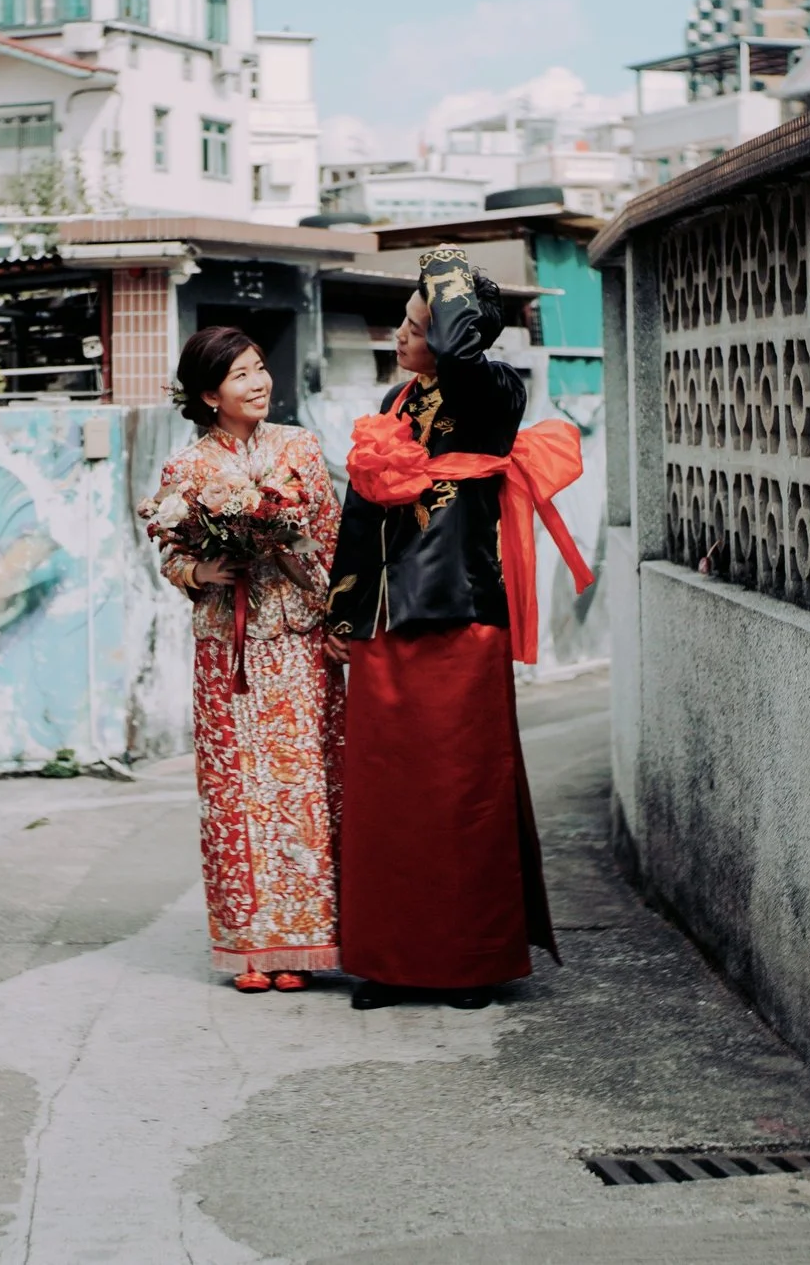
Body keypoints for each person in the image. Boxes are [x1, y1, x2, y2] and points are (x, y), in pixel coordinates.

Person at [326, 247, 585, 1011]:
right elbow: (361, 515)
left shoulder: (492, 391)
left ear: (447, 332)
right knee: (387, 802)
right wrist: (342, 613)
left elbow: (462, 345)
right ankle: (387, 961)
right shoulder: (395, 404)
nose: (401, 339)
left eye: (415, 326)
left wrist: (444, 267)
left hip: (463, 618)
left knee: (459, 797)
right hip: (387, 623)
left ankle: (466, 966)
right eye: (404, 326)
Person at [149, 327, 345, 993]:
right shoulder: (187, 470)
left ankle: (304, 944)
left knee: (303, 789)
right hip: (226, 653)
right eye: (240, 375)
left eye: (260, 368)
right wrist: (201, 570)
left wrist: (339, 622)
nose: (258, 382)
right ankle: (250, 949)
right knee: (237, 793)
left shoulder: (301, 449)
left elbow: (331, 538)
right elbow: (170, 554)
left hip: (298, 639)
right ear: (210, 395)